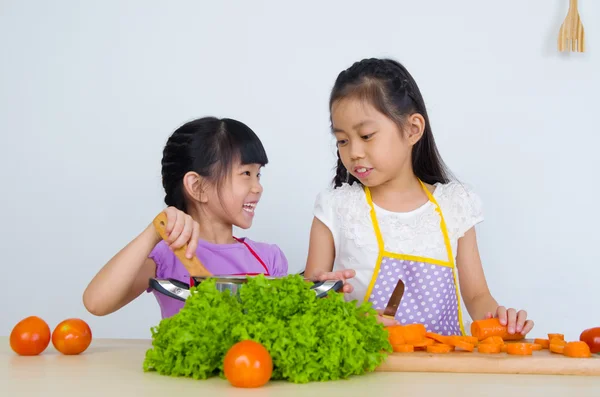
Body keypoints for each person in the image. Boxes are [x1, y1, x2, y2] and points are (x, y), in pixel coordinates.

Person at [305, 58, 533, 337]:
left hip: (444, 373)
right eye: (342, 140)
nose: (353, 152)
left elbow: (477, 297)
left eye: (366, 135)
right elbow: (311, 298)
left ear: (412, 129)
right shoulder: (335, 207)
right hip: (368, 373)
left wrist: (502, 321)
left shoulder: (455, 206)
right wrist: (332, 301)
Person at [83, 117, 288, 319]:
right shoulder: (166, 256)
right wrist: (153, 233)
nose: (258, 187)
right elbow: (96, 303)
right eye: (246, 173)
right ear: (197, 187)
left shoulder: (268, 259)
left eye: (258, 174)